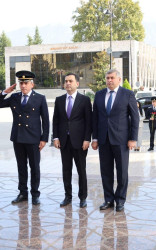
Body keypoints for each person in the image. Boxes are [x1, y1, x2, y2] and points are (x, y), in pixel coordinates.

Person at [0, 70, 49, 205]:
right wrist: (5, 92)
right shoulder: (15, 97)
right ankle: (23, 193)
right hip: (18, 137)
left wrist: (44, 138)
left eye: (26, 83)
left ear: (32, 84)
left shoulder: (40, 98)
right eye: (21, 83)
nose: (23, 86)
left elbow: (46, 120)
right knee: (21, 166)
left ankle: (35, 194)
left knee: (34, 167)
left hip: (33, 138)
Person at [92, 69, 139, 212]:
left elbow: (135, 118)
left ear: (119, 79)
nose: (109, 80)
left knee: (122, 172)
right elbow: (95, 118)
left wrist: (133, 138)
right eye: (107, 78)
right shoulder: (99, 95)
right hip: (104, 140)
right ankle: (108, 199)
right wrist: (95, 138)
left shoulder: (128, 94)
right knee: (105, 171)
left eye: (112, 78)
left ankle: (120, 200)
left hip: (121, 140)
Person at [53, 73, 92, 208]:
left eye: (70, 81)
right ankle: (67, 196)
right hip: (64, 141)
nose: (68, 83)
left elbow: (89, 122)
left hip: (80, 142)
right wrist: (56, 137)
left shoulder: (85, 100)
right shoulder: (59, 100)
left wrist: (87, 139)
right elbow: (56, 120)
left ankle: (83, 198)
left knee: (81, 170)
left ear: (77, 84)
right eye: (66, 81)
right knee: (66, 170)